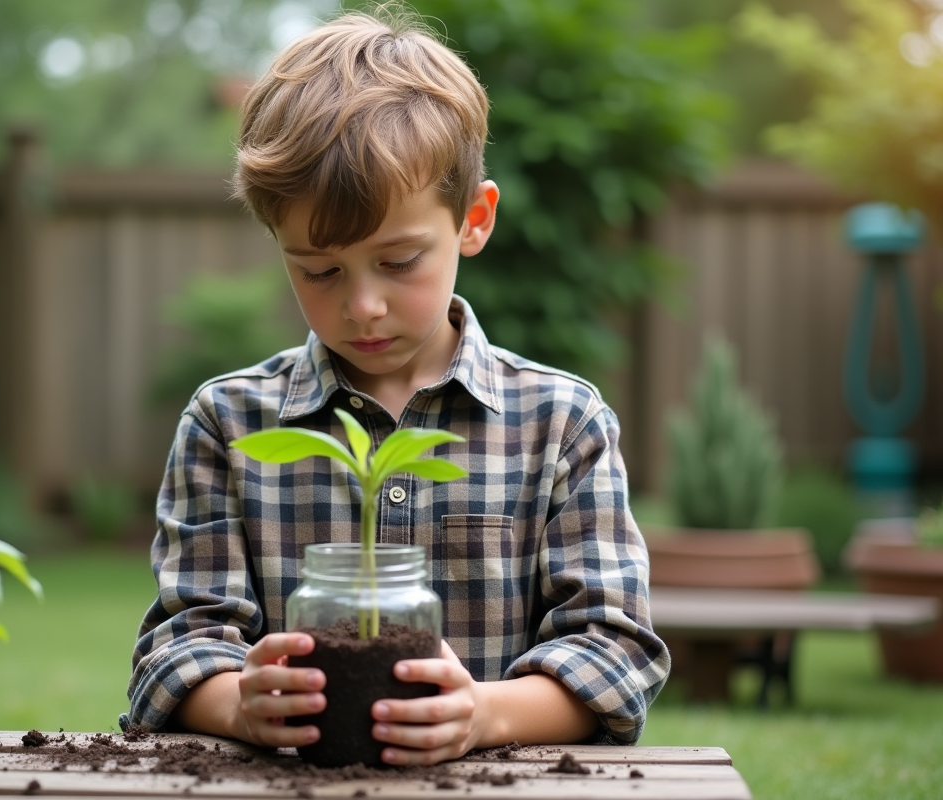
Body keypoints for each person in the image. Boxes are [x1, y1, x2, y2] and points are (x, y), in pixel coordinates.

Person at [121, 7, 669, 765]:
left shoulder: (560, 423)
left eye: (399, 260)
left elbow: (614, 651)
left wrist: (485, 713)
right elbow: (177, 648)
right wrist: (237, 704)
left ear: (473, 220)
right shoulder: (228, 423)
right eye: (319, 270)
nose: (363, 304)